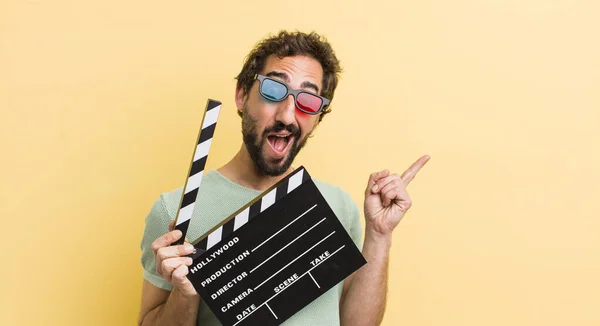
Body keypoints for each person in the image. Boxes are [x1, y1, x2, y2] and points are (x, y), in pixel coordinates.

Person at [138, 30, 430, 326]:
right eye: (273, 90)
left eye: (309, 101)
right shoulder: (174, 213)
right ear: (241, 94)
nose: (288, 116)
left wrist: (379, 235)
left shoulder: (338, 205)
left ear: (317, 118)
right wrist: (185, 294)